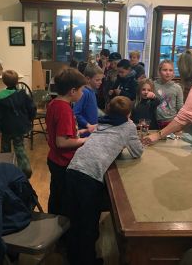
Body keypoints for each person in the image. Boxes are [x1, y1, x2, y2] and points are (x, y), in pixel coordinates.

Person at [64, 96, 143, 265]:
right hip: (90, 176)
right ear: (129, 114)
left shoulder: (102, 121)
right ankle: (87, 261)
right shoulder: (128, 126)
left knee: (75, 219)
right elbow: (137, 152)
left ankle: (72, 257)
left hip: (72, 169)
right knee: (89, 226)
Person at [46, 67, 88, 215]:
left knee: (56, 195)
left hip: (54, 158)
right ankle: (61, 230)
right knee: (64, 199)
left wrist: (78, 134)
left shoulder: (54, 103)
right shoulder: (64, 109)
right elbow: (62, 142)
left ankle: (53, 223)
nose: (82, 94)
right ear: (72, 91)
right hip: (62, 161)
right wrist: (84, 141)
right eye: (82, 90)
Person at [0, 70, 36, 178]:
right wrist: (30, 119)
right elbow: (32, 108)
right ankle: (25, 169)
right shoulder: (22, 94)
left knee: (5, 149)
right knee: (19, 147)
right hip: (19, 127)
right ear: (17, 81)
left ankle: (5, 170)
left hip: (6, 128)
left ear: (4, 82)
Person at [73, 65, 104, 137]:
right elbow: (75, 113)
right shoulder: (85, 92)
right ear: (88, 79)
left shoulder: (92, 92)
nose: (100, 82)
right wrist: (88, 125)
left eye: (101, 79)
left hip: (91, 132)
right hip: (85, 133)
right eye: (97, 80)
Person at [154, 59, 184, 129]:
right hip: (155, 121)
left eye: (170, 70)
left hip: (171, 121)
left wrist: (180, 124)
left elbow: (180, 107)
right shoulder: (153, 85)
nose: (168, 73)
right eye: (165, 70)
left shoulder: (177, 88)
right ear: (159, 71)